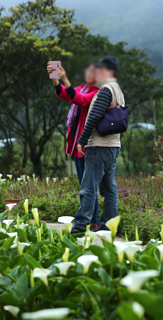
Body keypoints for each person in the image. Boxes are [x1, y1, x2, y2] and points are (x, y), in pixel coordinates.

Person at [69, 56, 124, 235]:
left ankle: (79, 224)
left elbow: (93, 117)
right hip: (113, 146)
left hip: (99, 146)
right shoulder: (117, 90)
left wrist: (82, 140)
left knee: (89, 186)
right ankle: (108, 225)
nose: (96, 73)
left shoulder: (105, 90)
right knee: (109, 188)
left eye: (99, 70)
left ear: (109, 72)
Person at [51, 62, 100, 228]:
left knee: (88, 186)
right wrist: (56, 80)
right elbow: (68, 94)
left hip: (87, 143)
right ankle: (92, 219)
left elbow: (81, 100)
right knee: (84, 185)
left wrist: (65, 78)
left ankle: (94, 220)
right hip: (76, 143)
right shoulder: (84, 87)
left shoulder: (97, 92)